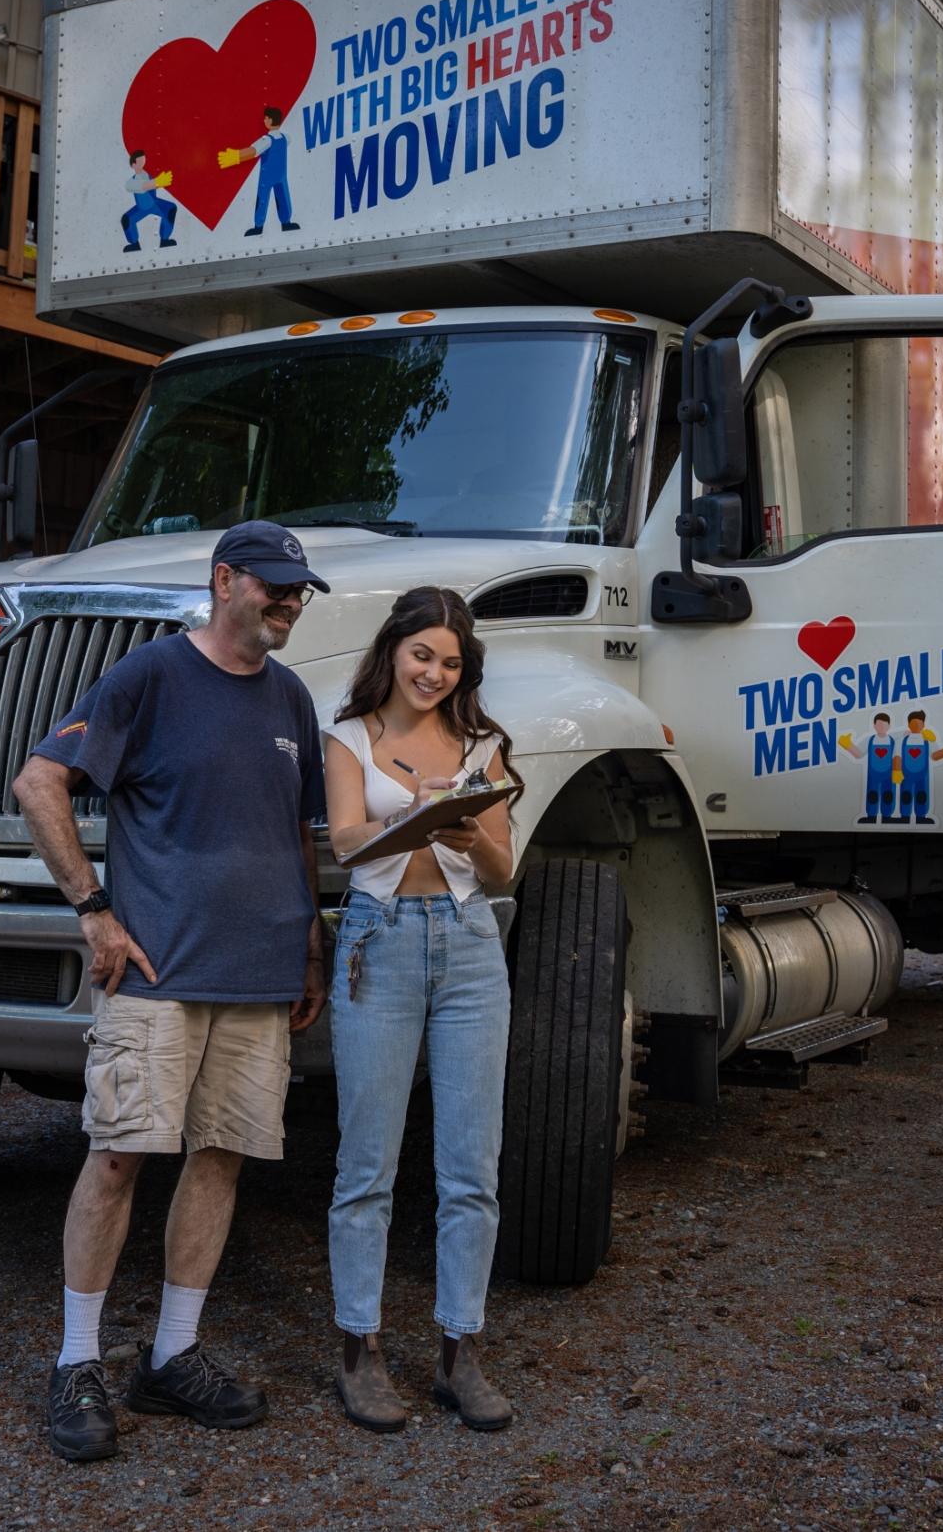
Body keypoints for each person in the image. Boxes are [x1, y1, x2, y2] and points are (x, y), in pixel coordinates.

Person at [13, 522, 330, 1463]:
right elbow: (40, 782)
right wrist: (94, 909)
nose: (288, 601)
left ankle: (173, 1355)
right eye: (273, 585)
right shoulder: (150, 676)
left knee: (224, 1154)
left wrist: (309, 939)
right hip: (159, 974)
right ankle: (77, 1363)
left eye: (298, 589)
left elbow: (295, 832)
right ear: (223, 580)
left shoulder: (293, 697)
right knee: (118, 1156)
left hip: (261, 975)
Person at [323, 586, 520, 1436]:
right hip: (382, 936)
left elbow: (505, 867)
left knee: (470, 1166)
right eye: (422, 654)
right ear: (393, 648)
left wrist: (466, 828)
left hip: (471, 946)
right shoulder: (349, 736)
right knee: (367, 1161)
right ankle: (360, 1350)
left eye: (451, 661)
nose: (435, 672)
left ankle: (459, 1349)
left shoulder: (486, 744)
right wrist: (415, 809)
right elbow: (340, 842)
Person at [217, 105, 299, 237]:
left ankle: (259, 226)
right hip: (280, 176)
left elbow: (253, 151)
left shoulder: (267, 140)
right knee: (282, 197)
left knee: (263, 199)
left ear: (272, 120)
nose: (264, 121)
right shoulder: (286, 138)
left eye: (266, 118)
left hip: (267, 177)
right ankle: (285, 222)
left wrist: (236, 156)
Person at [120, 149, 177, 252]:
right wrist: (157, 182)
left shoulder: (149, 176)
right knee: (126, 219)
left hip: (155, 204)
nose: (142, 164)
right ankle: (134, 243)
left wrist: (159, 182)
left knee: (171, 209)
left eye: (143, 161)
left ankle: (164, 239)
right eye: (140, 162)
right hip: (141, 208)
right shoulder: (132, 182)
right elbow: (143, 186)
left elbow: (152, 183)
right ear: (133, 165)